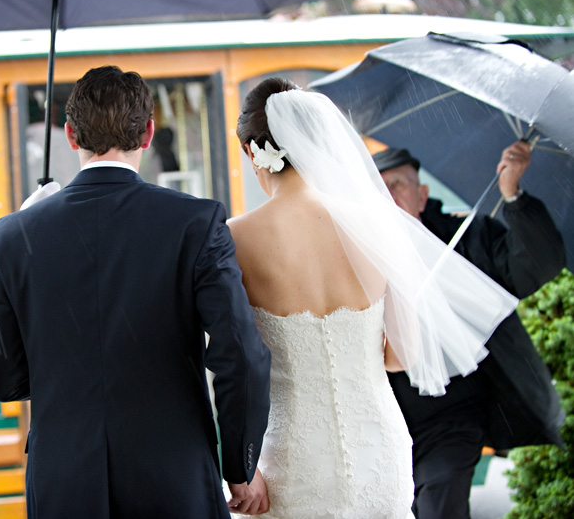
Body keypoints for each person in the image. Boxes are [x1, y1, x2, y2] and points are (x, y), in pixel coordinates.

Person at [0, 66, 272, 519]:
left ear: (70, 135)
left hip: (63, 481)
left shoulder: (14, 235)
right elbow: (241, 354)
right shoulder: (196, 223)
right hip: (173, 475)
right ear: (148, 133)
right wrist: (239, 464)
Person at [228, 78, 516, 519]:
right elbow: (401, 356)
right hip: (380, 450)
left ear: (253, 152)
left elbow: (233, 362)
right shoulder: (379, 226)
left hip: (292, 460)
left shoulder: (235, 238)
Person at [373, 145, 565, 519]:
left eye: (398, 185)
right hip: (383, 422)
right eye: (379, 189)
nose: (389, 197)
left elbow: (537, 263)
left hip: (451, 419)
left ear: (422, 196)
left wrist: (512, 193)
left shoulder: (464, 238)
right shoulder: (349, 255)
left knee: (440, 506)